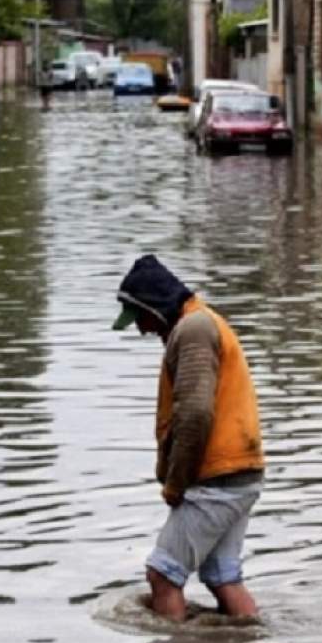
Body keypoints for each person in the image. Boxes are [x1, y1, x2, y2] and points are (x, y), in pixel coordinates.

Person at [112, 255, 265, 622]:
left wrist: (175, 484)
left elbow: (195, 415)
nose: (142, 330)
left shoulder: (193, 329)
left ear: (156, 307)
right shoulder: (202, 323)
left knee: (163, 576)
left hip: (218, 475)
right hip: (241, 472)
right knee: (221, 576)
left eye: (142, 319)